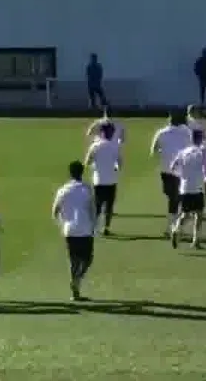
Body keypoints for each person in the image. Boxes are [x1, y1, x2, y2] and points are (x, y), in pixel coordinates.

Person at [52, 161, 96, 301]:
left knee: (73, 260)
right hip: (85, 229)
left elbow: (55, 211)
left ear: (69, 173)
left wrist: (62, 225)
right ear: (82, 172)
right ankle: (77, 279)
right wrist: (94, 226)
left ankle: (75, 292)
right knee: (87, 259)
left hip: (69, 230)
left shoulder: (63, 190)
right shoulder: (87, 189)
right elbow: (92, 210)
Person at [150, 113, 192, 234]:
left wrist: (163, 151)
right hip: (182, 169)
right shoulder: (187, 132)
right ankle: (176, 225)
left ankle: (172, 226)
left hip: (166, 170)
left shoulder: (161, 132)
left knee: (172, 198)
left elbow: (153, 150)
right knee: (177, 197)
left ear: (169, 121)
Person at [169, 129, 206, 249]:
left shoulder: (183, 152)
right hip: (197, 187)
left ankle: (176, 229)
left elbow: (172, 167)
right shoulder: (202, 152)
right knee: (199, 215)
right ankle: (196, 240)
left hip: (185, 187)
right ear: (200, 139)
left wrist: (181, 176)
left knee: (185, 214)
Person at [84, 123, 122, 236]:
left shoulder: (95, 146)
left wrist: (95, 165)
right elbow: (119, 163)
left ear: (101, 133)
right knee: (109, 206)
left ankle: (94, 227)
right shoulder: (114, 146)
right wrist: (115, 167)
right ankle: (106, 227)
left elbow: (87, 162)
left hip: (98, 180)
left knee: (97, 206)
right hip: (111, 180)